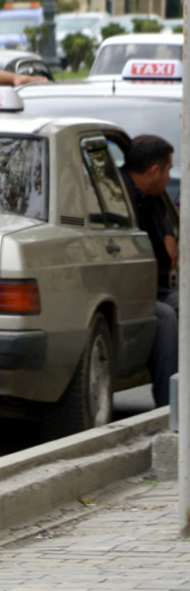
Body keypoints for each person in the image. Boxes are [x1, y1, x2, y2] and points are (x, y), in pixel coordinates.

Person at [122, 134, 178, 407]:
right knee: (166, 317)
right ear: (154, 170)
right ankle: (169, 407)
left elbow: (160, 207)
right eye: (168, 169)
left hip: (155, 288)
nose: (169, 176)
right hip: (132, 293)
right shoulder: (120, 195)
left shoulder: (149, 194)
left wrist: (168, 231)